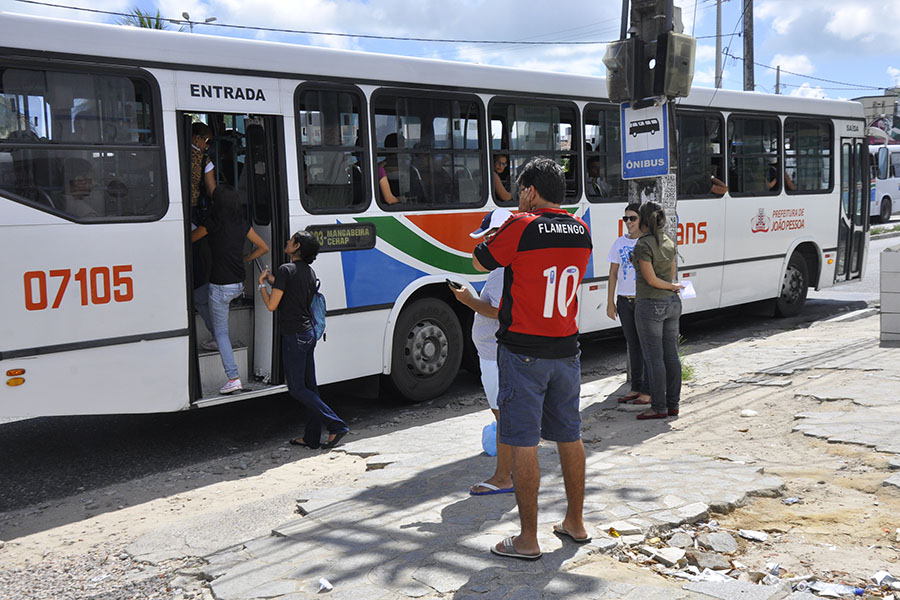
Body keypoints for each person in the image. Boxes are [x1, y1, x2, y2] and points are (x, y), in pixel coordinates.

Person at [473, 157, 593, 560]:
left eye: (520, 190)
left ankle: (527, 539)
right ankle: (575, 522)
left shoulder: (521, 226)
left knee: (523, 440)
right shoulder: (581, 230)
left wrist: (512, 220)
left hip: (523, 351)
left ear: (528, 191)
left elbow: (480, 259)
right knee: (570, 435)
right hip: (567, 349)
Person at [258, 231, 349, 449]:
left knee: (297, 389)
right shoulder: (309, 271)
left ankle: (336, 425)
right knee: (310, 387)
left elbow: (271, 305)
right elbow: (291, 290)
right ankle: (311, 437)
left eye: (291, 240)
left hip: (295, 336)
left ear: (297, 246)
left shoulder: (285, 269)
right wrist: (272, 280)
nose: (287, 242)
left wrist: (261, 285)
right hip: (308, 334)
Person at [449, 208, 515, 496]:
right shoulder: (507, 266)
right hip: (496, 353)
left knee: (503, 417)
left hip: (495, 355)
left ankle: (503, 478)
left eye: (490, 237)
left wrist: (467, 300)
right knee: (507, 415)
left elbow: (500, 312)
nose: (487, 244)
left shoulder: (502, 270)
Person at [191, 185, 269, 394]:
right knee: (198, 297)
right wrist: (246, 258)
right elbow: (264, 247)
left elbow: (189, 239)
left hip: (220, 287)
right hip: (238, 285)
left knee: (222, 334)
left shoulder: (212, 223)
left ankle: (233, 378)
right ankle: (216, 336)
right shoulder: (242, 224)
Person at [630, 201, 684, 420]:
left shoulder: (643, 245)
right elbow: (668, 275)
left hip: (650, 304)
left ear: (642, 220)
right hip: (672, 303)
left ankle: (659, 407)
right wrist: (671, 287)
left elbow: (651, 280)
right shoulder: (669, 242)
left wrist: (670, 286)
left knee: (654, 359)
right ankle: (673, 405)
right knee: (671, 355)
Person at [607, 203, 651, 406]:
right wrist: (610, 302)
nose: (629, 222)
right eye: (626, 219)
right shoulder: (619, 243)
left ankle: (647, 390)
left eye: (633, 218)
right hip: (624, 301)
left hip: (642, 299)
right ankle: (636, 387)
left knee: (646, 345)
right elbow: (613, 273)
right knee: (633, 345)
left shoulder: (647, 242)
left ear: (641, 220)